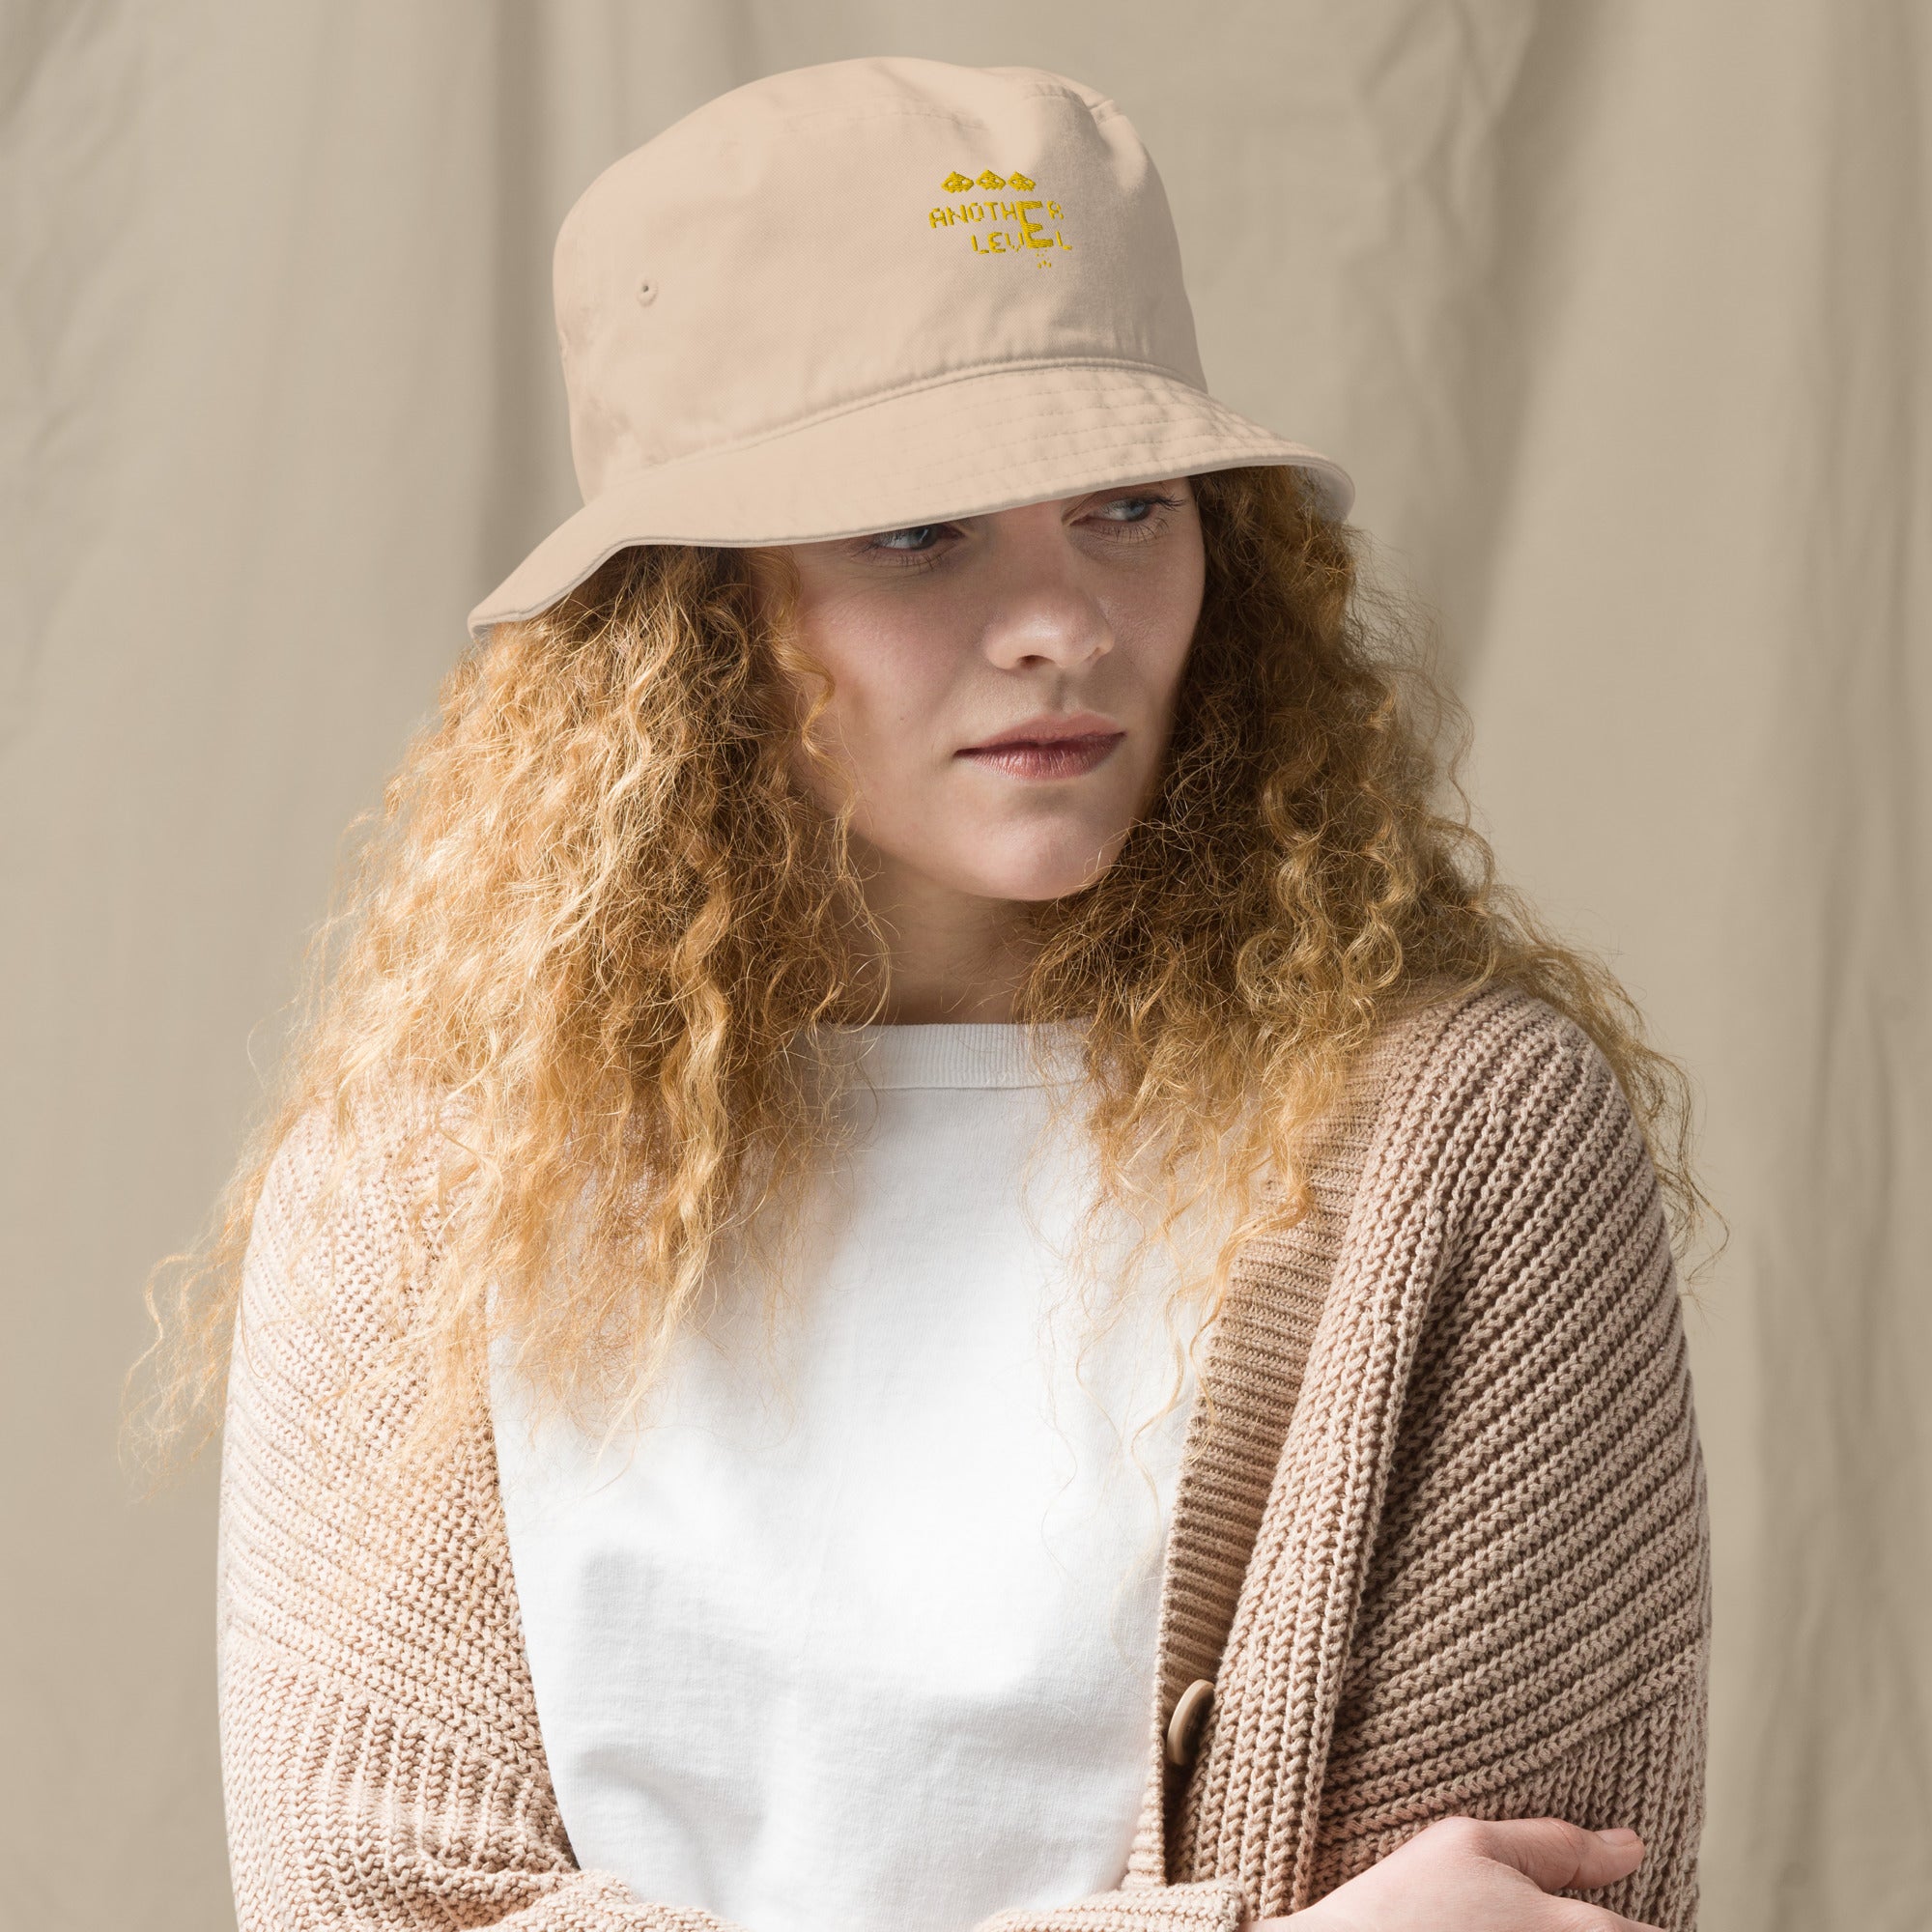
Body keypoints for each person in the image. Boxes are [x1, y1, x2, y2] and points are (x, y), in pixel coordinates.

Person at [140, 55, 1711, 1932]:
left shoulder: (1461, 1146)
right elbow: (377, 1904)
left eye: (1125, 507)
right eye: (917, 530)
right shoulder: (417, 1187)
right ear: (695, 615)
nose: (1064, 620)